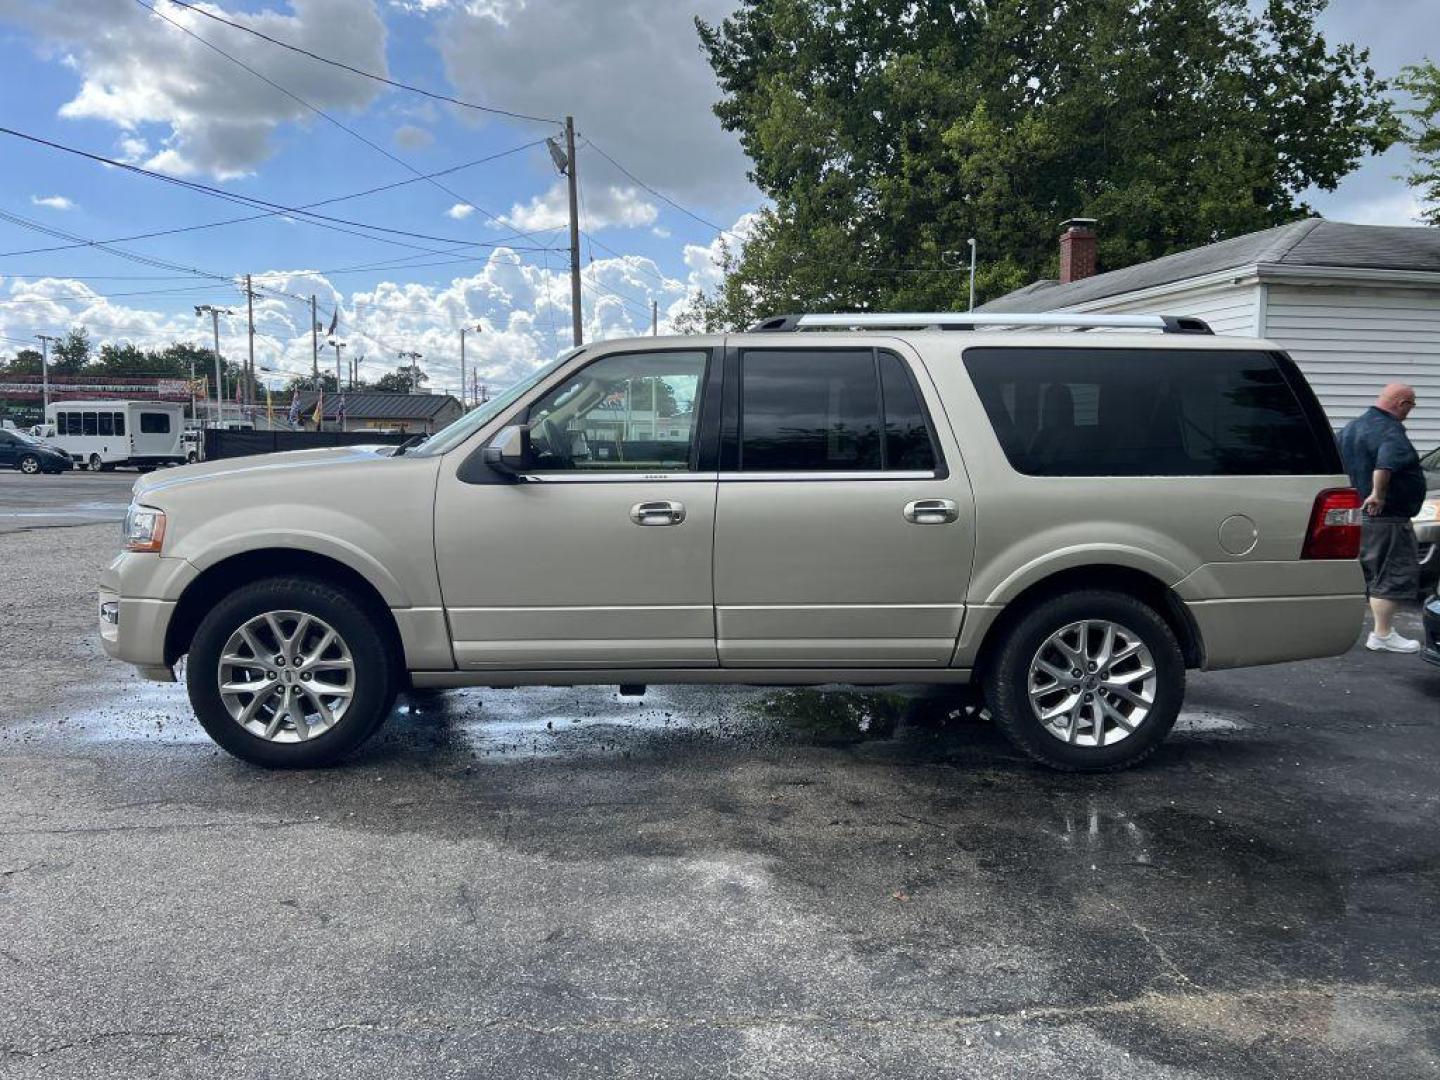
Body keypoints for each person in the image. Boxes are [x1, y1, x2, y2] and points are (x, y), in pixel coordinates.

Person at [1338, 383, 1425, 653]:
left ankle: (1378, 632)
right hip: (1386, 518)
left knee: (1370, 574)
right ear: (1401, 402)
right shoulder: (1390, 431)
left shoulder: (1352, 428)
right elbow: (1385, 465)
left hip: (1359, 516)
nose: (1410, 411)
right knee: (1390, 574)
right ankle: (1383, 633)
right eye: (1411, 405)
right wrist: (1378, 494)